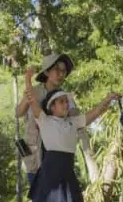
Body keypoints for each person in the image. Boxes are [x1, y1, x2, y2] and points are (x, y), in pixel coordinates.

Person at [23, 68, 119, 202]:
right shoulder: (45, 120)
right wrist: (28, 78)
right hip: (49, 173)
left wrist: (107, 99)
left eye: (66, 101)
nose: (66, 104)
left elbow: (95, 112)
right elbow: (31, 99)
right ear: (52, 107)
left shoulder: (74, 122)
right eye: (61, 102)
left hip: (67, 171)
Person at [17, 53, 76, 187]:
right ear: (47, 72)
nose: (61, 74)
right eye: (57, 70)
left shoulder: (66, 98)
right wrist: (27, 98)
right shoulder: (34, 91)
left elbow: (75, 120)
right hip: (34, 154)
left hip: (57, 155)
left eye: (64, 71)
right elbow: (18, 113)